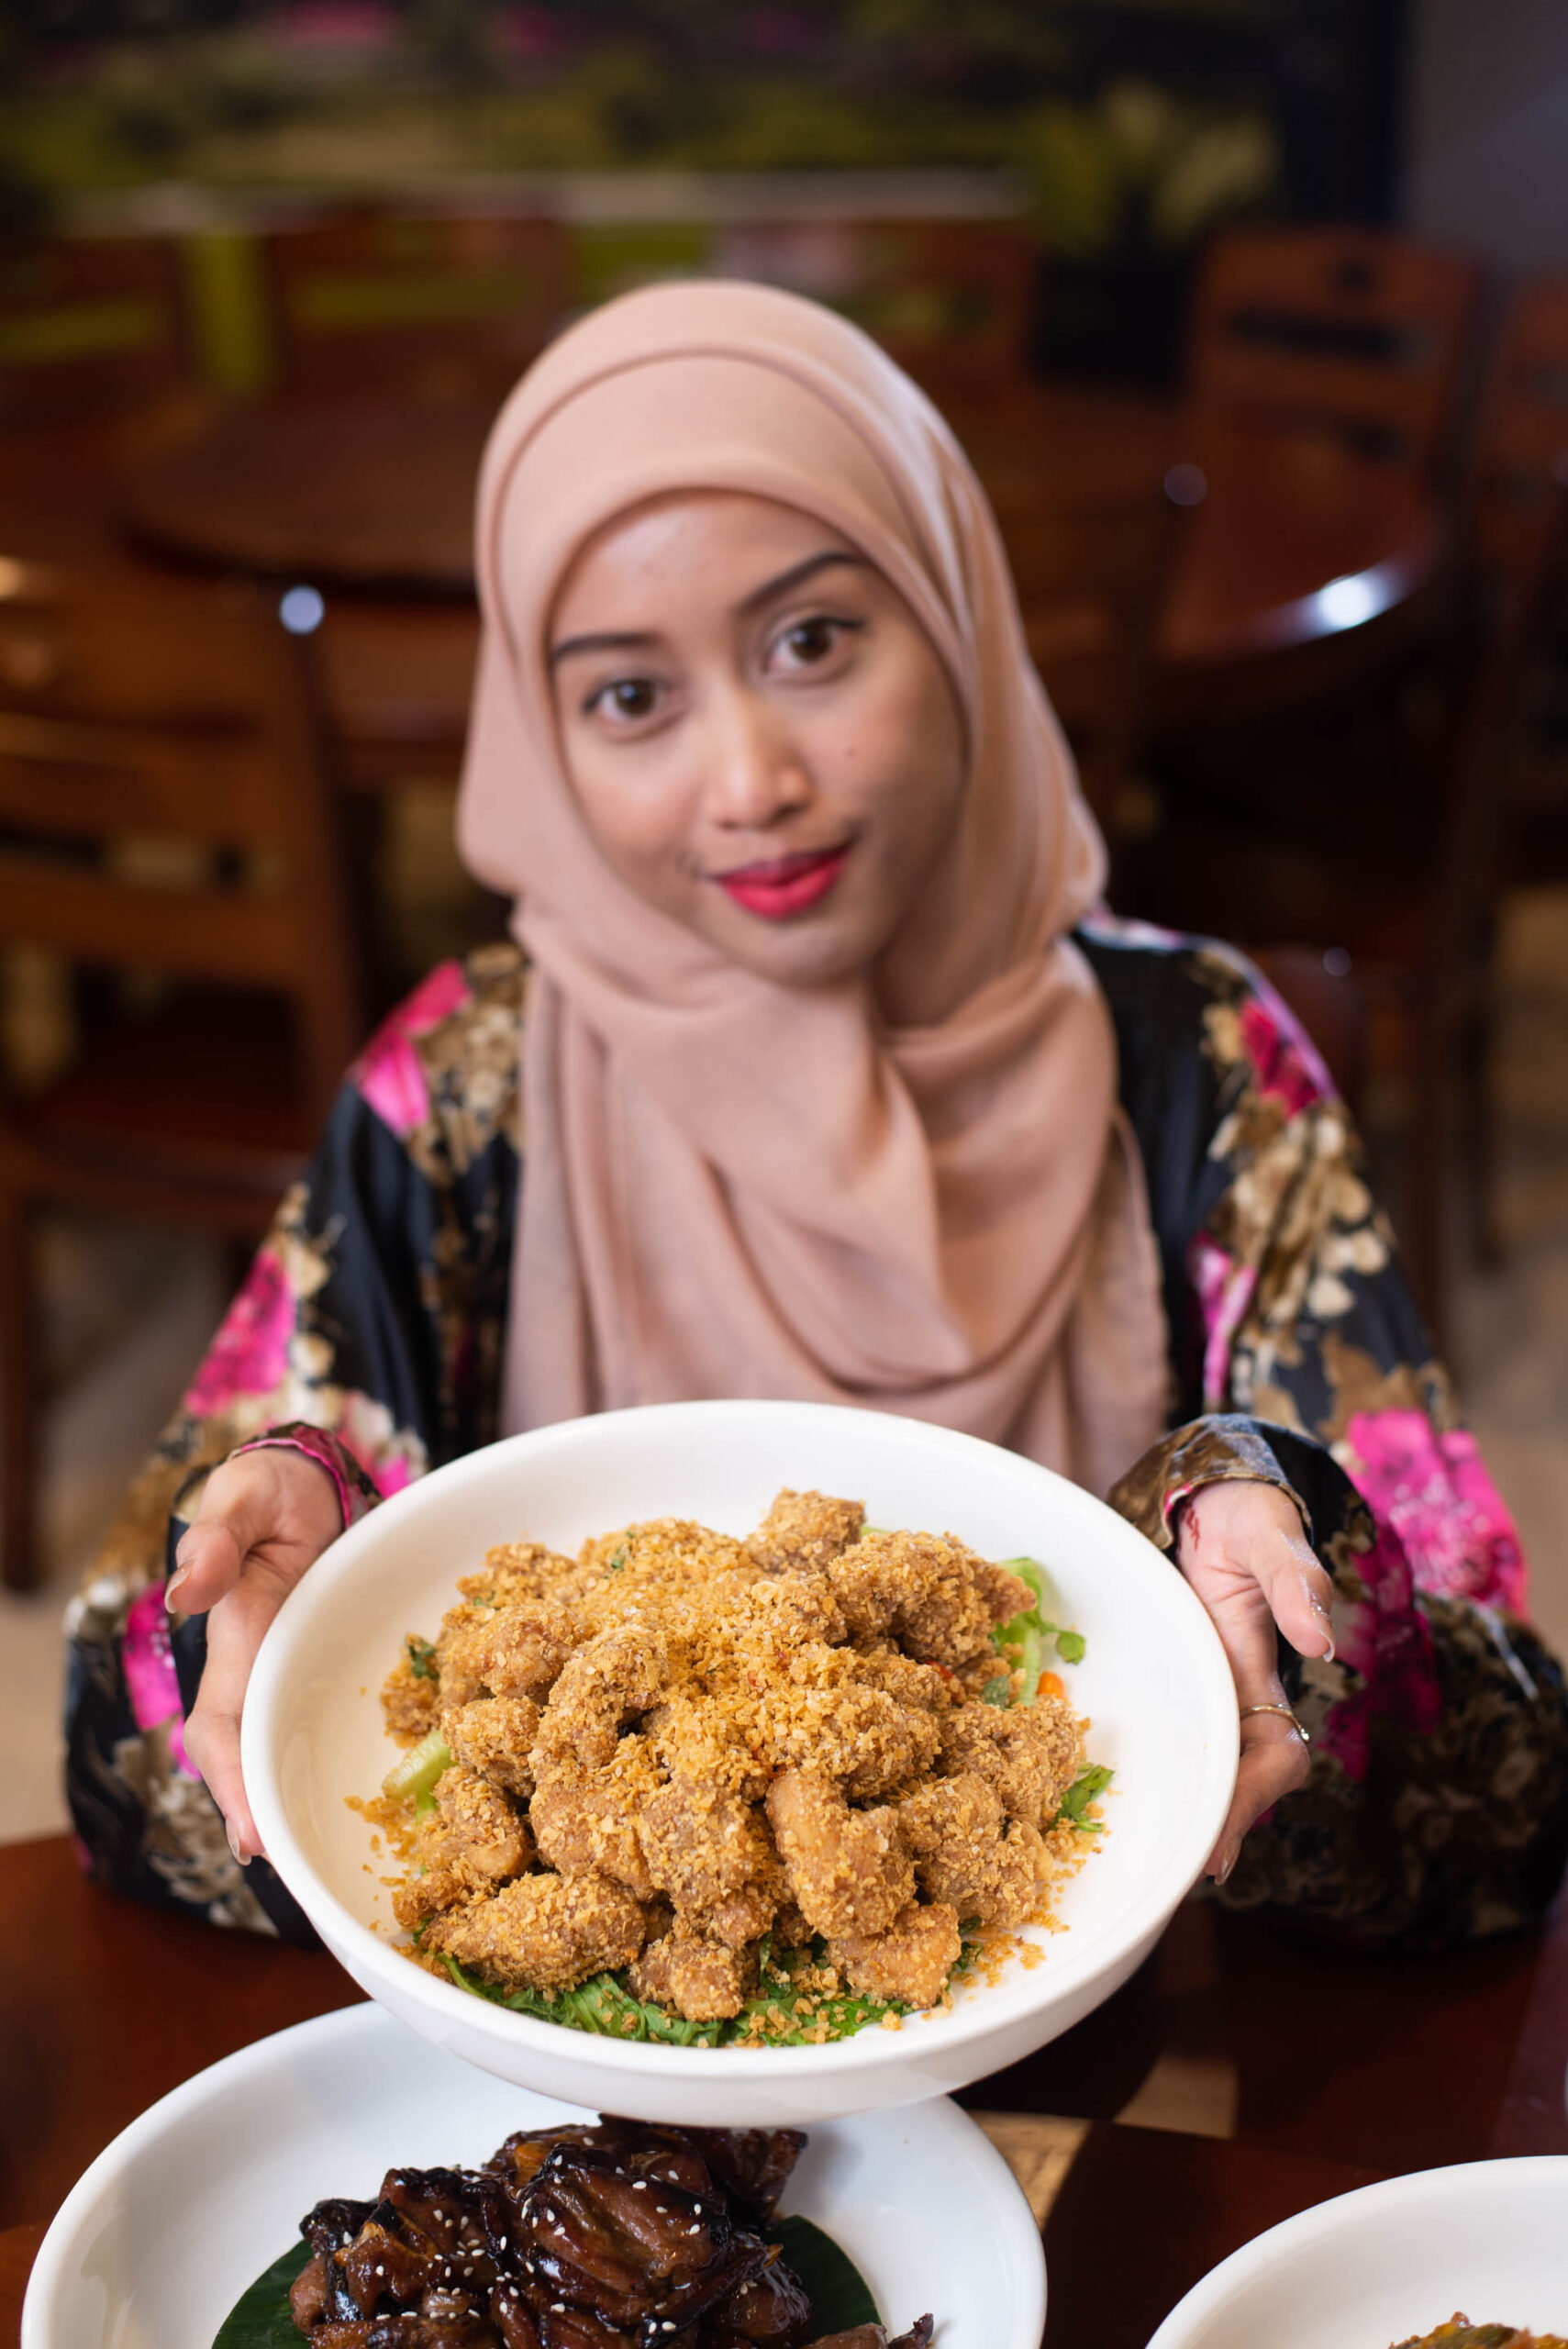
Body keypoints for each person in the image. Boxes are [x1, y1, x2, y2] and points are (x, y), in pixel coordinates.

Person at [65, 281, 1568, 1952]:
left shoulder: (1202, 1064)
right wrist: (293, 1587)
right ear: (541, 741)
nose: (749, 781)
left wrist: (1266, 1559)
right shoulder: (464, 1092)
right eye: (628, 697)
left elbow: (1499, 1800)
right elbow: (124, 1765)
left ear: (956, 618)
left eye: (811, 642)